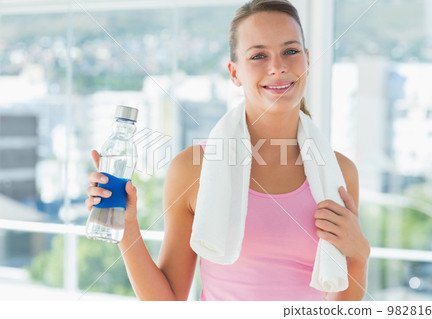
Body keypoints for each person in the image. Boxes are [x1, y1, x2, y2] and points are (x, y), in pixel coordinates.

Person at [85, 0, 370, 301]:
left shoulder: (340, 173)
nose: (278, 67)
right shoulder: (194, 168)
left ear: (308, 60)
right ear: (235, 73)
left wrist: (360, 256)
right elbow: (168, 304)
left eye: (290, 51)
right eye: (258, 55)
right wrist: (127, 229)